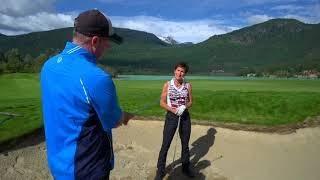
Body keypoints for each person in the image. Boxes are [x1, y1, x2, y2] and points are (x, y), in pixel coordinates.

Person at [40, 9, 133, 179]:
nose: (109, 46)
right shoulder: (97, 78)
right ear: (95, 41)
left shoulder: (48, 66)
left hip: (58, 164)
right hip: (85, 168)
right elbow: (114, 120)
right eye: (107, 41)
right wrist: (124, 116)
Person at [155, 62, 195, 179]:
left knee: (185, 144)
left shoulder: (188, 86)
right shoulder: (167, 84)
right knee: (166, 144)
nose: (180, 73)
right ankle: (160, 170)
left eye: (182, 71)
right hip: (171, 117)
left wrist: (184, 107)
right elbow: (162, 102)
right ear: (174, 71)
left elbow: (190, 101)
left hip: (184, 117)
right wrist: (172, 110)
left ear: (185, 74)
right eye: (178, 70)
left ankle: (185, 168)